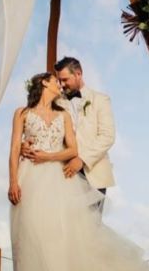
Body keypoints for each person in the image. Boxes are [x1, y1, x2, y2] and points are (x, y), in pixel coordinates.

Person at [8, 71, 149, 271]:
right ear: (44, 82)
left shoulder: (70, 112)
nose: (60, 85)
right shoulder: (23, 112)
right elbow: (13, 149)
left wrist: (48, 156)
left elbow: (77, 147)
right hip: (29, 176)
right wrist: (13, 180)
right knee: (31, 231)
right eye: (55, 81)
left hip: (62, 175)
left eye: (63, 80)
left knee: (60, 233)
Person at [23, 56, 114, 215]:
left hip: (94, 173)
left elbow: (107, 136)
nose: (62, 84)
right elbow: (39, 122)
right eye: (59, 80)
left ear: (78, 74)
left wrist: (82, 159)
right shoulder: (56, 102)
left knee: (91, 229)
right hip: (62, 173)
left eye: (65, 79)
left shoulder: (100, 100)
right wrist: (27, 143)